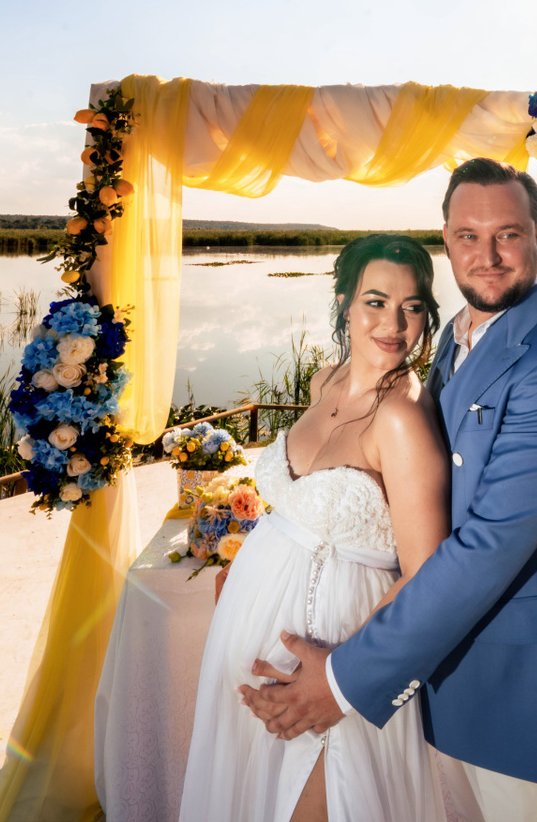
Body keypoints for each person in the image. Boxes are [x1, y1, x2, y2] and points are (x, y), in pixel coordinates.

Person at [239, 158, 537, 822]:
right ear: (447, 239)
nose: (487, 255)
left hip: (522, 685)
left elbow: (485, 549)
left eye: (508, 234)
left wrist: (345, 680)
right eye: (468, 235)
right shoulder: (456, 335)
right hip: (439, 669)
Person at [176, 231, 458, 822]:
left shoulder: (402, 420)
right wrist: (248, 562)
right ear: (345, 304)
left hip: (335, 642)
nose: (394, 324)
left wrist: (340, 675)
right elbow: (301, 507)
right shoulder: (323, 380)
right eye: (376, 301)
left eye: (412, 307)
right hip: (253, 617)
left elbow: (428, 576)